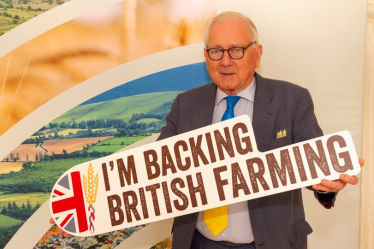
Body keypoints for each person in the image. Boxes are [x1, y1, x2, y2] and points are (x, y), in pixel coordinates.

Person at [158, 11, 363, 249]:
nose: (225, 61)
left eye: (236, 50)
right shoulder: (186, 104)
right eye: (216, 51)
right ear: (206, 56)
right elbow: (156, 170)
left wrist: (327, 186)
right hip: (198, 242)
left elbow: (313, 167)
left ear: (257, 54)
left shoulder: (292, 100)